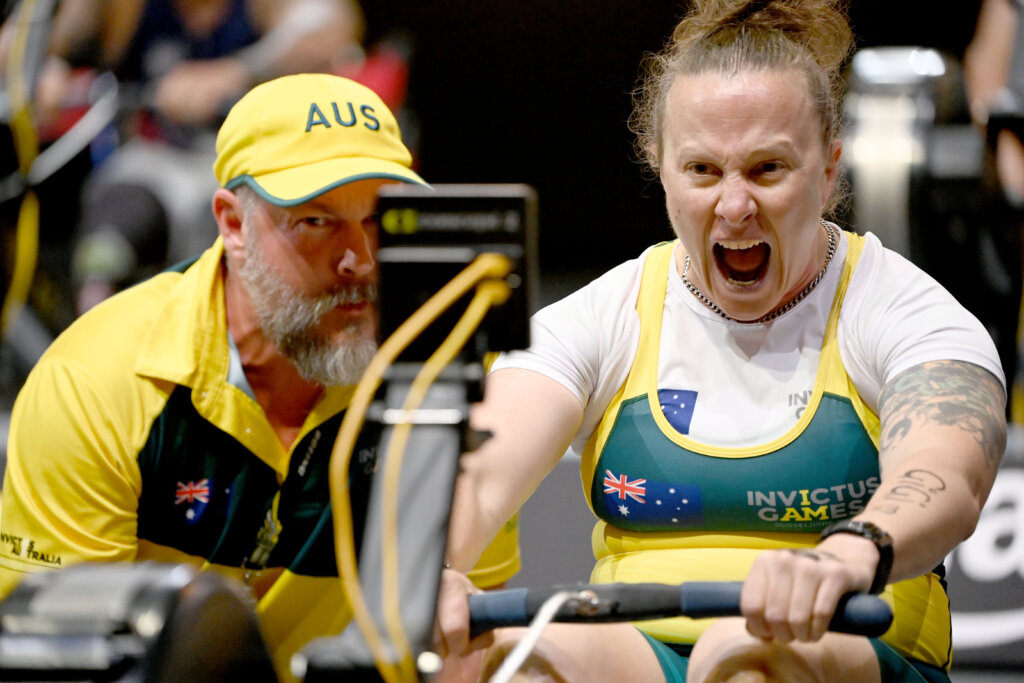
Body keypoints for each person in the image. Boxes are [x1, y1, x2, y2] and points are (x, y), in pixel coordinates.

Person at [435, 1, 1008, 681]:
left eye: (767, 169)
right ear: (661, 167)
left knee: (739, 656)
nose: (734, 207)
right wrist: (428, 571)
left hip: (845, 646)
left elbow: (945, 473)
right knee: (520, 660)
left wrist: (848, 553)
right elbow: (472, 482)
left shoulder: (902, 308)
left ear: (829, 171)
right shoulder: (604, 315)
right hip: (642, 649)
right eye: (703, 171)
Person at [0, 73, 519, 680]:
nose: (361, 260)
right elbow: (59, 660)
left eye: (381, 218)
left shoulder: (449, 367)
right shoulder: (95, 383)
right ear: (233, 224)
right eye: (316, 222)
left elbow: (469, 637)